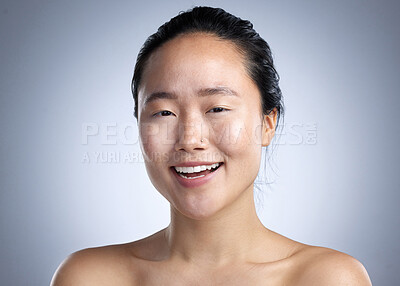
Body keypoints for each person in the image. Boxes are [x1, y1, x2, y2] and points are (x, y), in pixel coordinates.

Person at [51, 6, 372, 285]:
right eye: (164, 112)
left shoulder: (326, 278)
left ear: (268, 124)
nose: (190, 140)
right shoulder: (89, 277)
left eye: (217, 108)